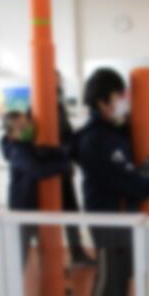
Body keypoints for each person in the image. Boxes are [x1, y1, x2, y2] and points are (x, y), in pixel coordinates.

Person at [73, 68, 149, 296]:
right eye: (120, 96)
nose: (125, 103)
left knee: (120, 276)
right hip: (109, 218)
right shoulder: (96, 139)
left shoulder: (115, 132)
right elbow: (127, 179)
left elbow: (145, 164)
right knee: (111, 279)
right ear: (102, 102)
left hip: (123, 214)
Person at [0, 110, 71, 264]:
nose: (27, 128)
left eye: (27, 123)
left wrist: (58, 154)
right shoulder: (17, 151)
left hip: (34, 209)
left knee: (46, 252)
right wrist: (63, 166)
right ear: (11, 135)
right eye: (21, 127)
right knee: (20, 256)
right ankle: (15, 280)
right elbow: (38, 170)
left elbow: (43, 156)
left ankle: (53, 277)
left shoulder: (28, 147)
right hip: (22, 211)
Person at [56, 76, 97, 267]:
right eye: (56, 80)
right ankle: (68, 256)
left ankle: (77, 253)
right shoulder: (42, 108)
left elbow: (66, 136)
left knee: (71, 211)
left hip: (64, 168)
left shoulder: (58, 107)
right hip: (55, 169)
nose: (59, 84)